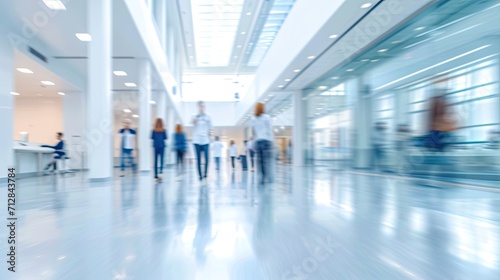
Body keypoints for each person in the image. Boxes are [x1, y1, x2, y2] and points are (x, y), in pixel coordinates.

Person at [251, 102, 274, 185]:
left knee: (259, 161)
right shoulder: (267, 117)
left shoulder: (253, 118)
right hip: (266, 141)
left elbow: (253, 133)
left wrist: (253, 143)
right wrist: (272, 141)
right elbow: (270, 130)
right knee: (266, 161)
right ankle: (266, 177)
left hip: (258, 141)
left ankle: (260, 177)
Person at [192, 101, 213, 181]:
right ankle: (200, 175)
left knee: (207, 158)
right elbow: (192, 122)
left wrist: (211, 137)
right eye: (200, 106)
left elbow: (211, 128)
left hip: (206, 140)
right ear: (198, 107)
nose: (202, 107)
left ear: (205, 107)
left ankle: (205, 173)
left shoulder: (208, 117)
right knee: (198, 159)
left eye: (203, 106)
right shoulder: (194, 116)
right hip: (196, 141)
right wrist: (197, 117)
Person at [151, 118, 167, 182]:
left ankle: (155, 175)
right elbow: (165, 138)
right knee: (162, 159)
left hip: (155, 146)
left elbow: (152, 137)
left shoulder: (153, 130)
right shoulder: (163, 130)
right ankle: (161, 171)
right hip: (162, 146)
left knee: (155, 161)